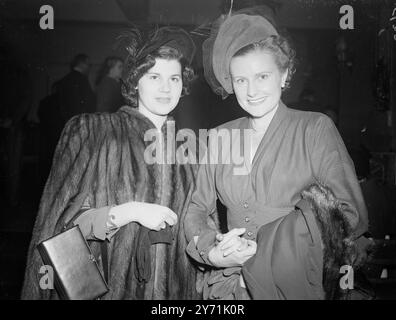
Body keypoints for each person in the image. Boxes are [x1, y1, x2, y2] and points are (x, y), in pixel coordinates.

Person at [184, 10, 369, 300]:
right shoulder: (220, 136)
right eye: (241, 80)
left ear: (284, 75)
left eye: (262, 76)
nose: (252, 90)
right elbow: (196, 207)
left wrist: (269, 251)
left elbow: (349, 214)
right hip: (232, 286)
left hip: (295, 285)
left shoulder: (314, 128)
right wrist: (213, 251)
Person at [21, 26, 199, 300]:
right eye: (154, 76)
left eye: (174, 78)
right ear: (135, 80)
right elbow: (60, 223)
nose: (166, 87)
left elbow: (197, 224)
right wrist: (130, 211)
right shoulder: (94, 131)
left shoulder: (189, 148)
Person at [57, 54, 95, 126]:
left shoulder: (64, 80)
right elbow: (88, 101)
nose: (89, 68)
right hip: (81, 122)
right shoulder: (82, 80)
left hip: (68, 121)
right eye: (89, 65)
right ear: (82, 64)